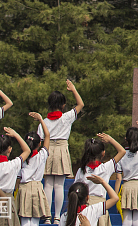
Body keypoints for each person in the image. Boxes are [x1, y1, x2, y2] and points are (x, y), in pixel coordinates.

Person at [42, 79, 84, 226]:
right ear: (63, 105)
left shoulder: (44, 121)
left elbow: (40, 137)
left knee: (48, 184)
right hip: (61, 148)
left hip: (47, 149)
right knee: (59, 185)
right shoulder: (66, 118)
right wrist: (73, 89)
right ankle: (57, 217)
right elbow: (80, 104)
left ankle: (47, 216)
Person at [71, 132, 125, 226]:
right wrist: (110, 139)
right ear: (103, 153)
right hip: (100, 206)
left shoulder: (81, 170)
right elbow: (122, 151)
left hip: (84, 207)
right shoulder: (105, 168)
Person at [15, 114, 50, 226]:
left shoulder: (21, 159)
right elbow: (48, 136)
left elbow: (18, 179)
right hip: (36, 188)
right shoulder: (42, 155)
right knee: (34, 220)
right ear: (39, 144)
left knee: (24, 220)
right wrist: (41, 120)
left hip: (24, 188)